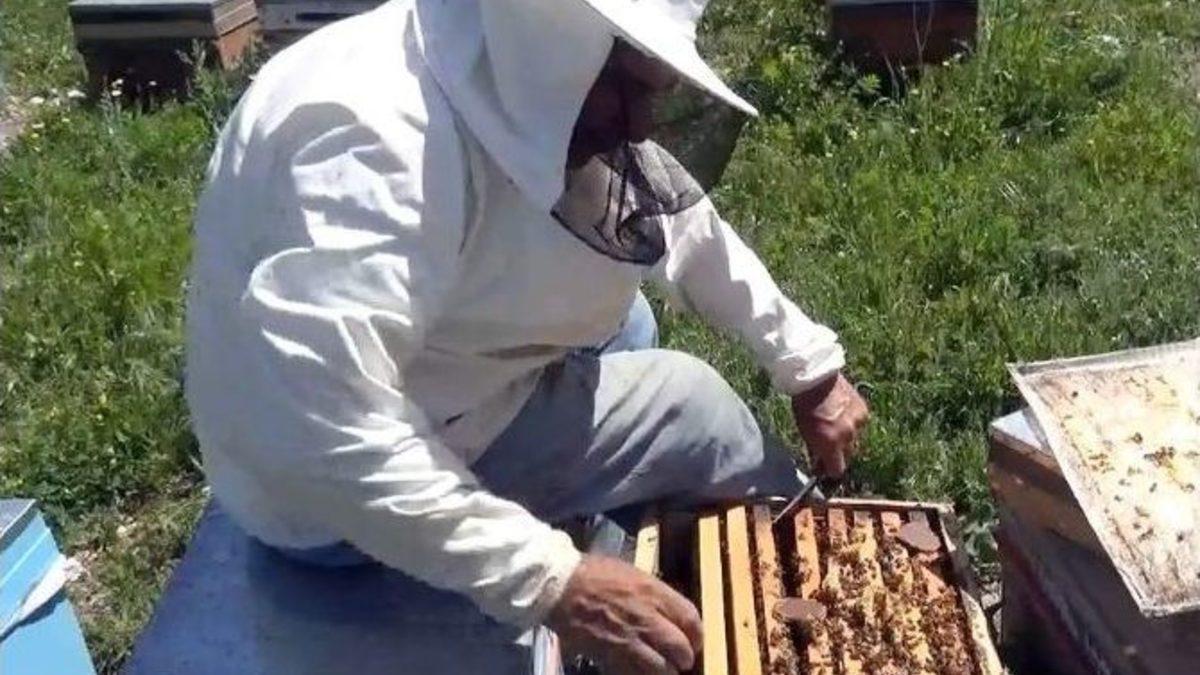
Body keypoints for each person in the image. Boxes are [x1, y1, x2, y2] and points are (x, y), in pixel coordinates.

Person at [185, 0, 869, 673]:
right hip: (333, 502)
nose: (640, 122)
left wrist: (807, 363)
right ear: (553, 47)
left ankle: (817, 564)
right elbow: (323, 431)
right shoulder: (371, 149)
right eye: (625, 88)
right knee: (694, 410)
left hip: (429, 368)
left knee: (630, 319)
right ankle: (817, 573)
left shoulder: (503, 66)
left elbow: (669, 218)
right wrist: (552, 581)